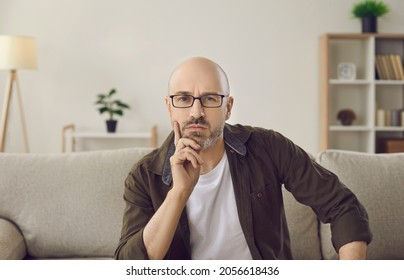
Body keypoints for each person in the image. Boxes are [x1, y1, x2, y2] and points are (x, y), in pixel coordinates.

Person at [115, 57, 372, 260]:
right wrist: (179, 193)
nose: (197, 111)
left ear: (228, 107)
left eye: (210, 98)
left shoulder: (269, 148)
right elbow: (131, 264)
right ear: (169, 106)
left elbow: (342, 205)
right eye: (183, 98)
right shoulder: (143, 176)